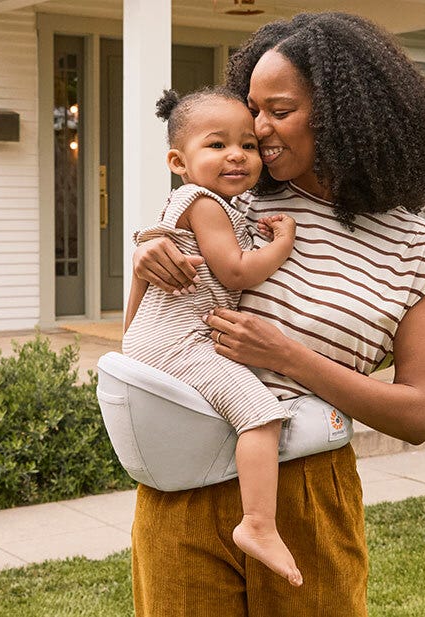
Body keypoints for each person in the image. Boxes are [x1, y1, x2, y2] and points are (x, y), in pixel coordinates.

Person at [129, 12, 425, 616]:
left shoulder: (420, 253)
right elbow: (154, 319)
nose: (256, 130)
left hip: (307, 493)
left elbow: (416, 413)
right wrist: (148, 258)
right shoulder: (232, 197)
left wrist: (287, 358)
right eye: (252, 109)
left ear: (343, 115)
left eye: (277, 112)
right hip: (181, 488)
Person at [122, 86, 304, 587]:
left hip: (164, 338)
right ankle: (259, 524)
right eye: (217, 145)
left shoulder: (222, 206)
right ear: (179, 161)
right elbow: (238, 272)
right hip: (180, 342)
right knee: (261, 414)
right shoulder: (203, 203)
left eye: (247, 145)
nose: (237, 156)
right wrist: (283, 244)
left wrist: (130, 339)